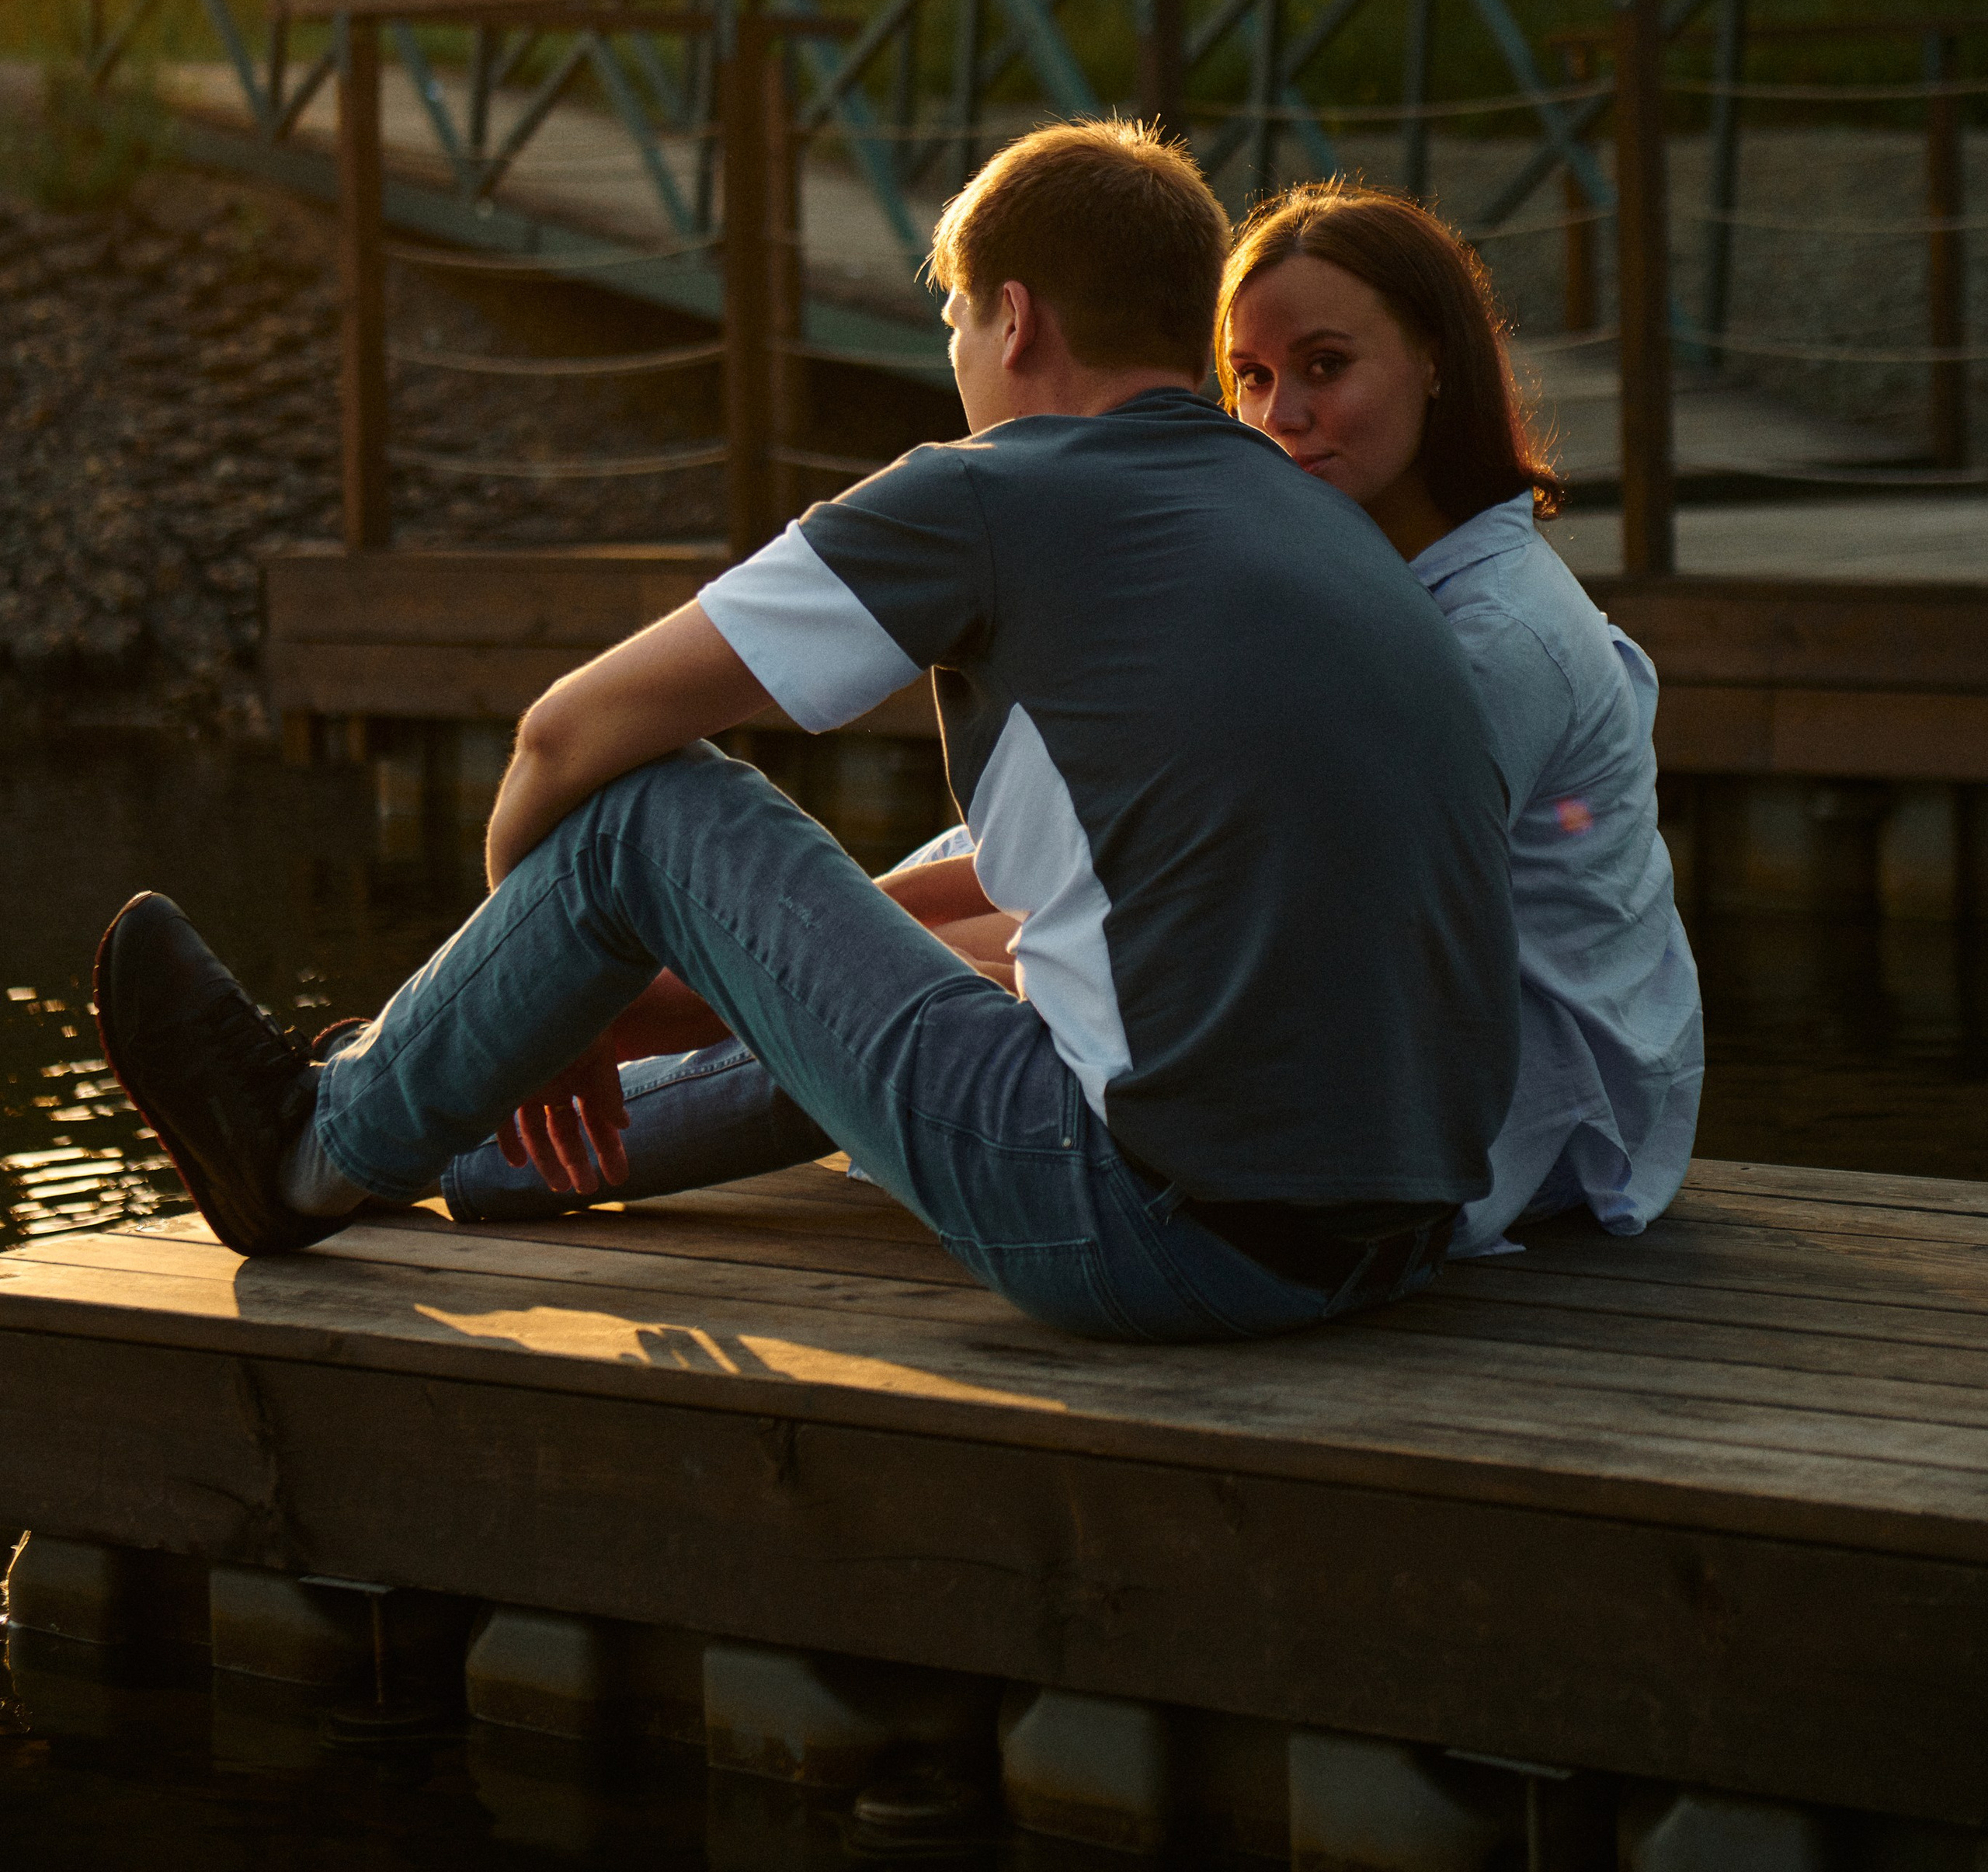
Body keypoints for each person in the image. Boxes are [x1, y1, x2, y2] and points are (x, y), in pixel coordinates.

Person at [95, 124, 1519, 1345]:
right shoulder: (1324, 527)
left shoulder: (991, 492)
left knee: (659, 804)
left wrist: (559, 1003)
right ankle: (413, 1109)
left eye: (952, 324)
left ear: (1013, 319)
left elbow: (558, 738)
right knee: (855, 927)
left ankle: (298, 1151)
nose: (957, 359)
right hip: (1401, 1241)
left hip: (1164, 1240)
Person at [1218, 181, 1703, 1255]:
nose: (1276, 417)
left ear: (1435, 360)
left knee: (908, 990)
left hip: (1516, 1115)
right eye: (1248, 377)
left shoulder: (1486, 641)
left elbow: (1272, 918)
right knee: (900, 939)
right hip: (1414, 1050)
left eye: (1324, 366)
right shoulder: (1367, 589)